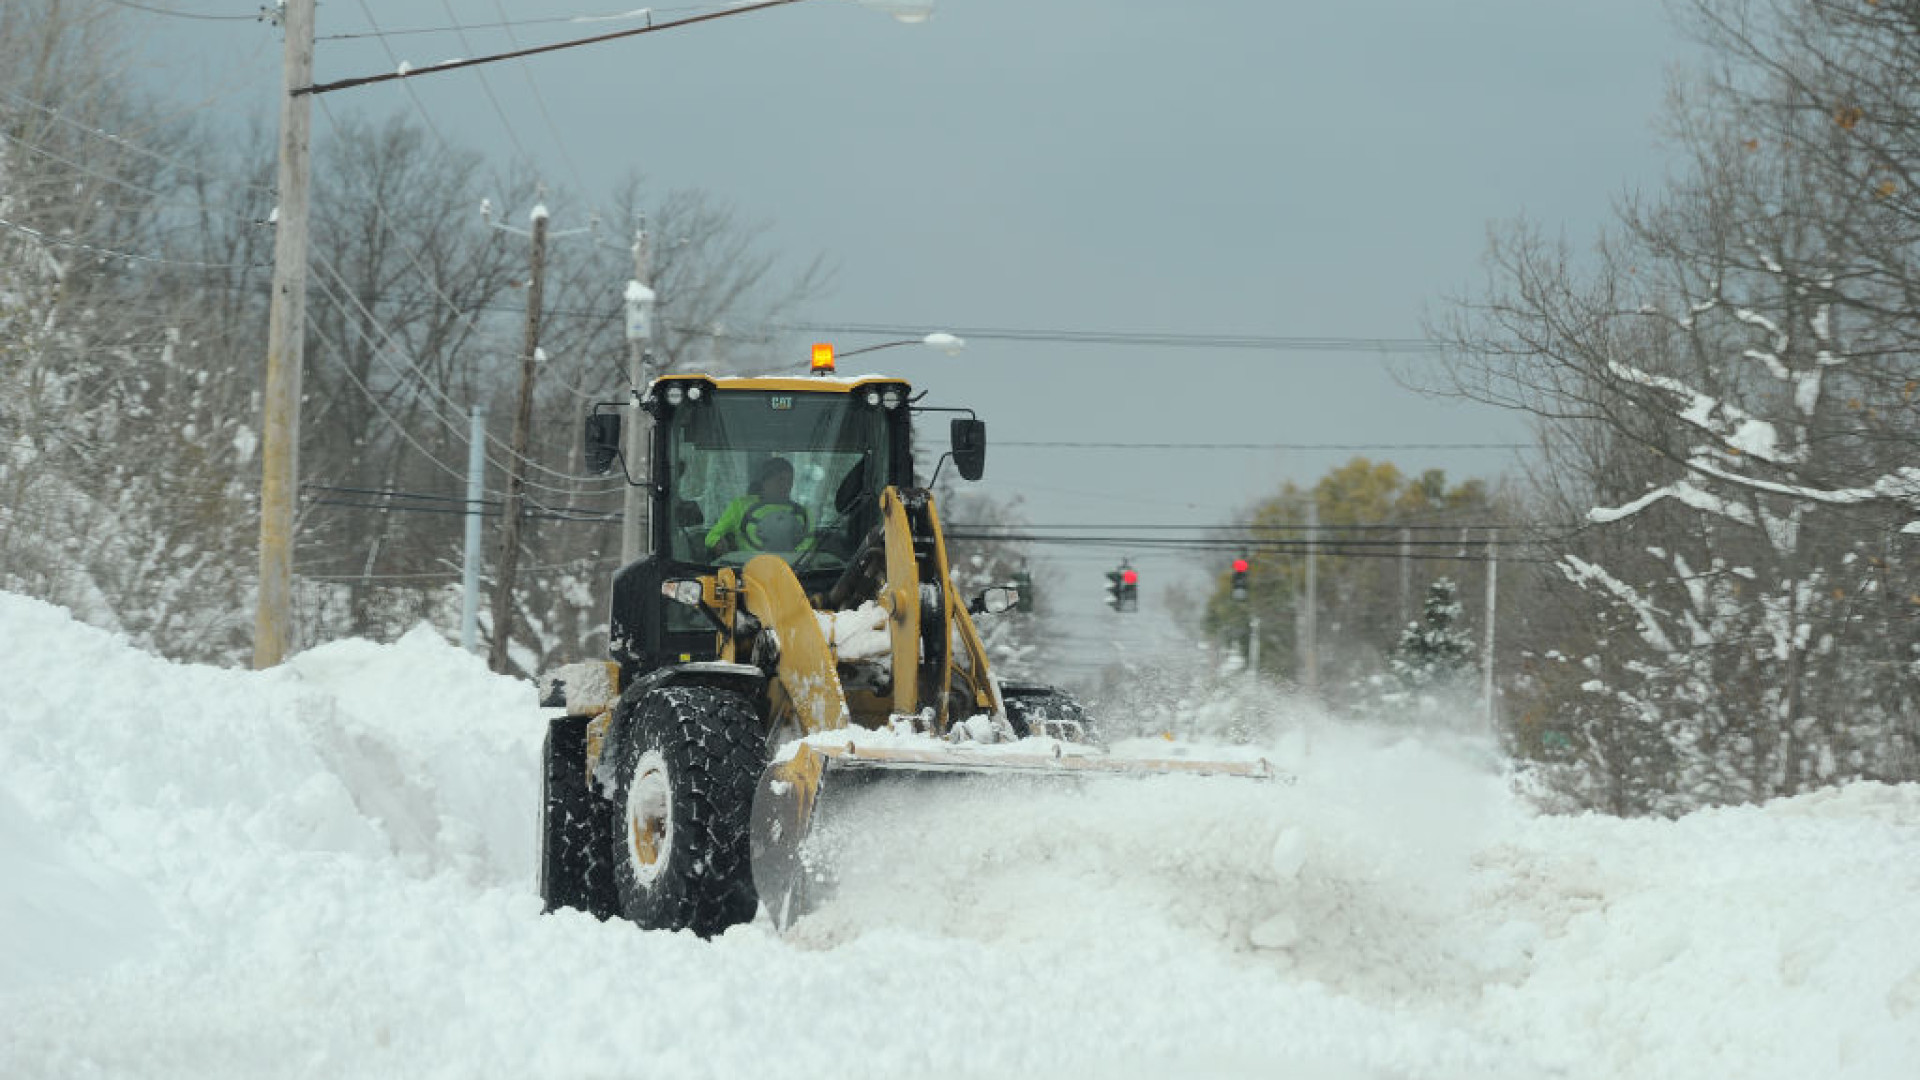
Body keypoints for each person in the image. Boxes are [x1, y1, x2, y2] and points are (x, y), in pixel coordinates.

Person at [704, 456, 811, 558]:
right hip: (747, 570)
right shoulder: (740, 505)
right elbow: (712, 536)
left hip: (792, 570)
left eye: (789, 481)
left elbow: (807, 547)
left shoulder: (801, 513)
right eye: (780, 480)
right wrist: (718, 543)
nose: (786, 485)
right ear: (765, 481)